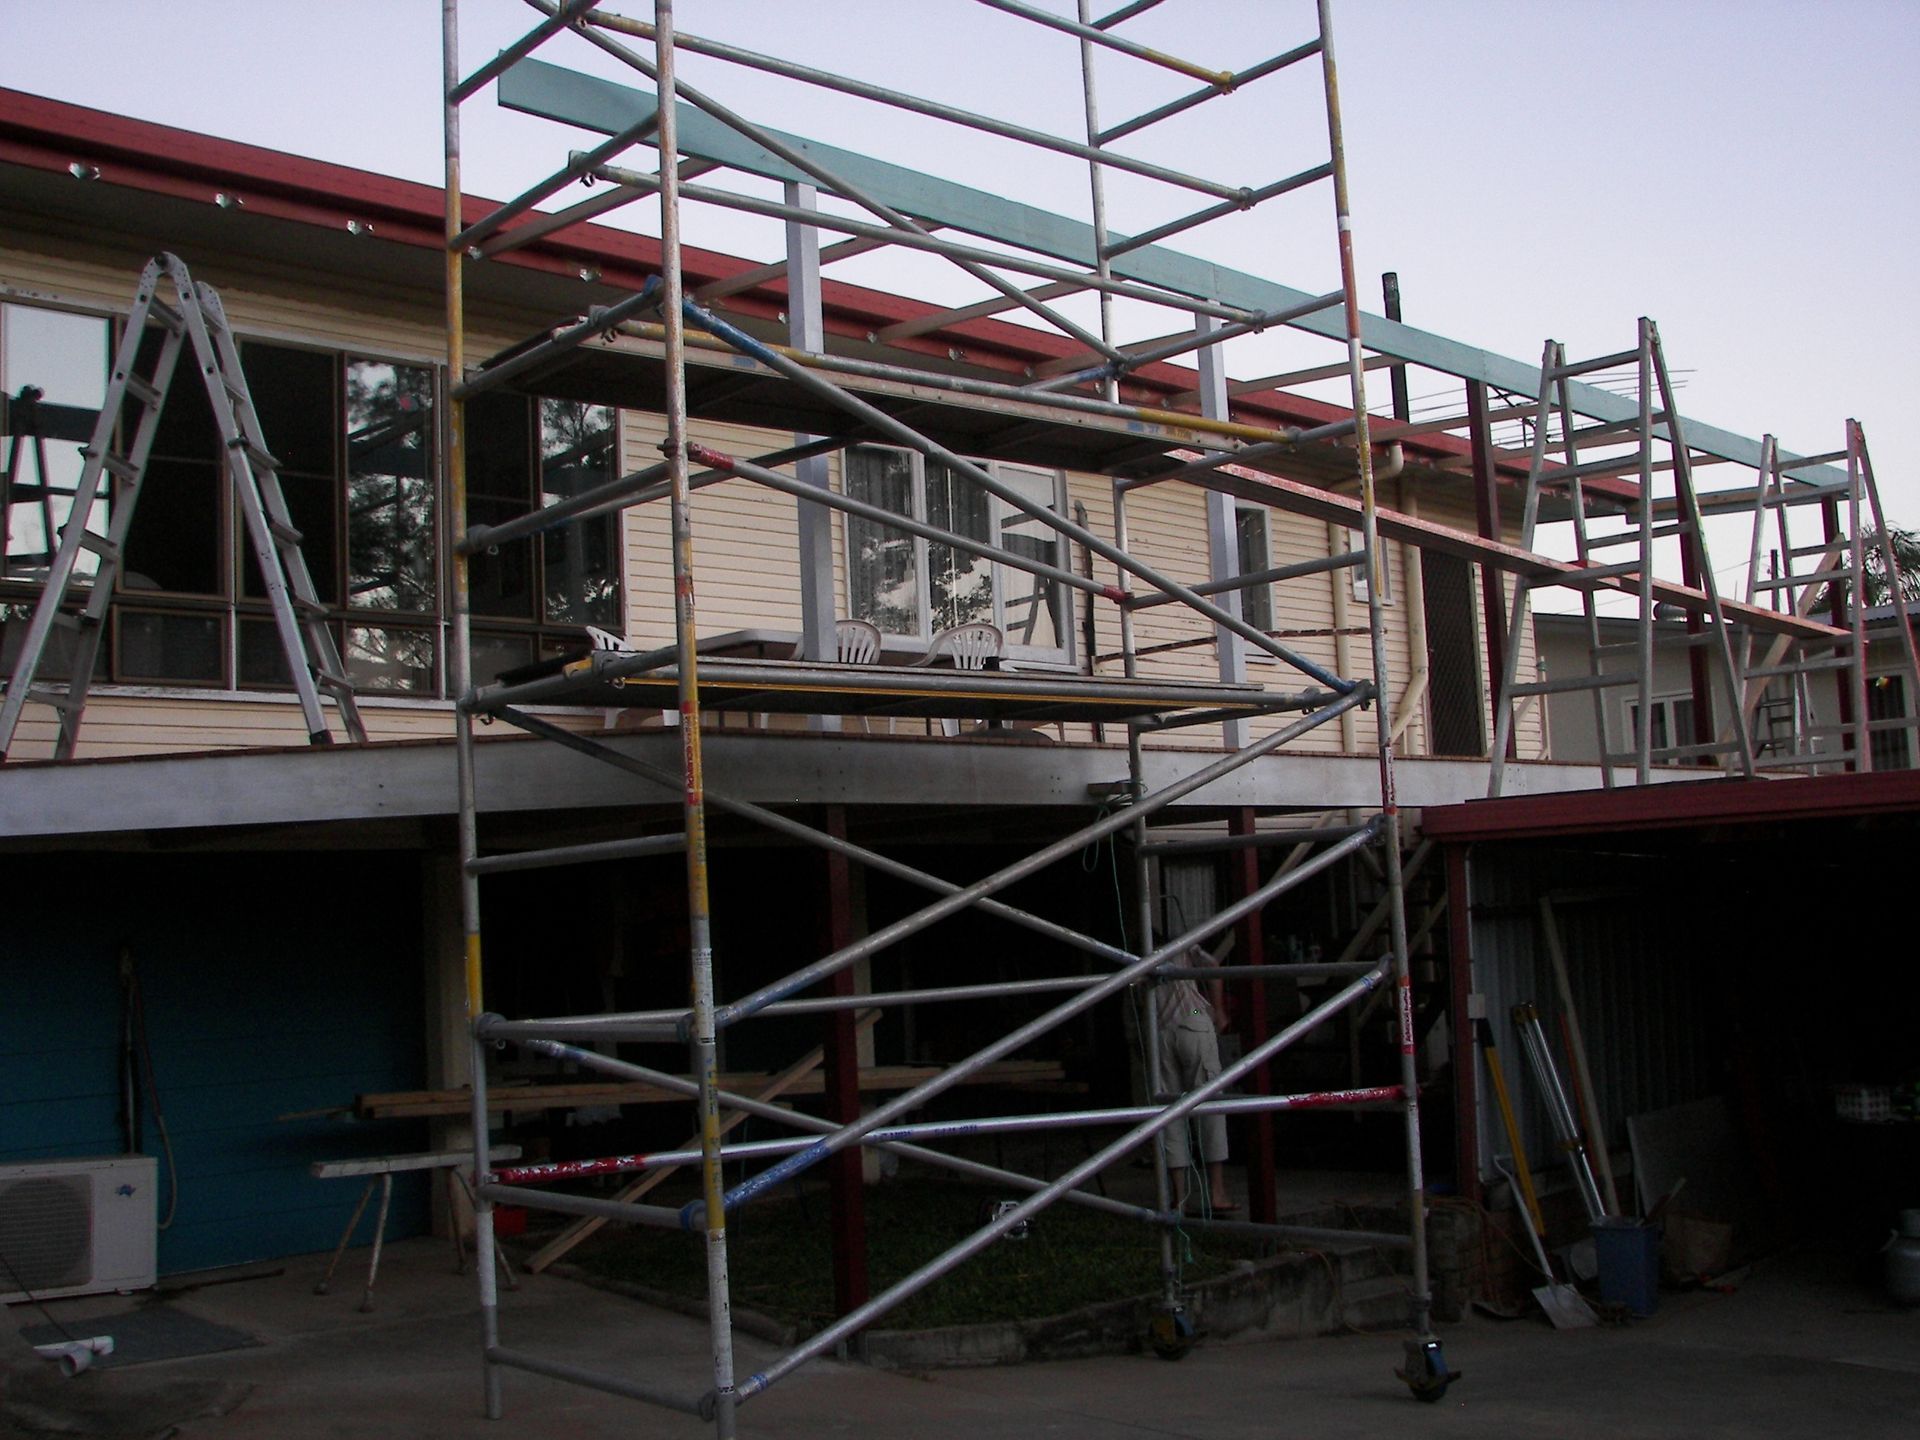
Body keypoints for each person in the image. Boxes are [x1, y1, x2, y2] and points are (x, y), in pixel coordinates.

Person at [1154, 936, 1236, 1215]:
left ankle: (1180, 1198)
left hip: (1160, 1032)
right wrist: (1219, 1011)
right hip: (1193, 1016)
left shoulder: (1134, 958)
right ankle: (1216, 1192)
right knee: (1210, 1106)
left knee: (1170, 1113)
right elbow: (1213, 966)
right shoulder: (1183, 947)